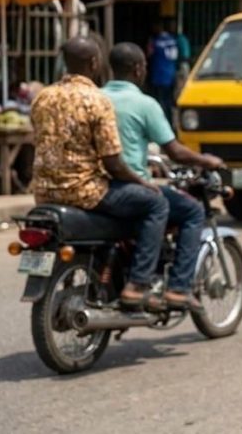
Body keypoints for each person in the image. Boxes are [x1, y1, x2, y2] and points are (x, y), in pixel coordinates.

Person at [28, 37, 169, 310]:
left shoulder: (42, 98)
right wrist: (142, 182)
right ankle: (138, 284)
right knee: (156, 203)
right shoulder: (97, 100)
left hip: (44, 192)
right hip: (85, 191)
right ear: (94, 63)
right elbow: (113, 163)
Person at [103, 42, 225, 311]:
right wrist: (208, 160)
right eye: (144, 66)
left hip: (98, 186)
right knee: (191, 211)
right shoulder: (145, 103)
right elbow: (176, 151)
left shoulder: (96, 98)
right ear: (138, 69)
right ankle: (176, 288)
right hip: (128, 185)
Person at [147, 18, 180, 123]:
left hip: (159, 75)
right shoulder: (172, 40)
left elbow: (149, 54)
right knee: (169, 101)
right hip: (171, 75)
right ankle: (170, 123)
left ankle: (161, 123)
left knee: (160, 102)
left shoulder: (156, 41)